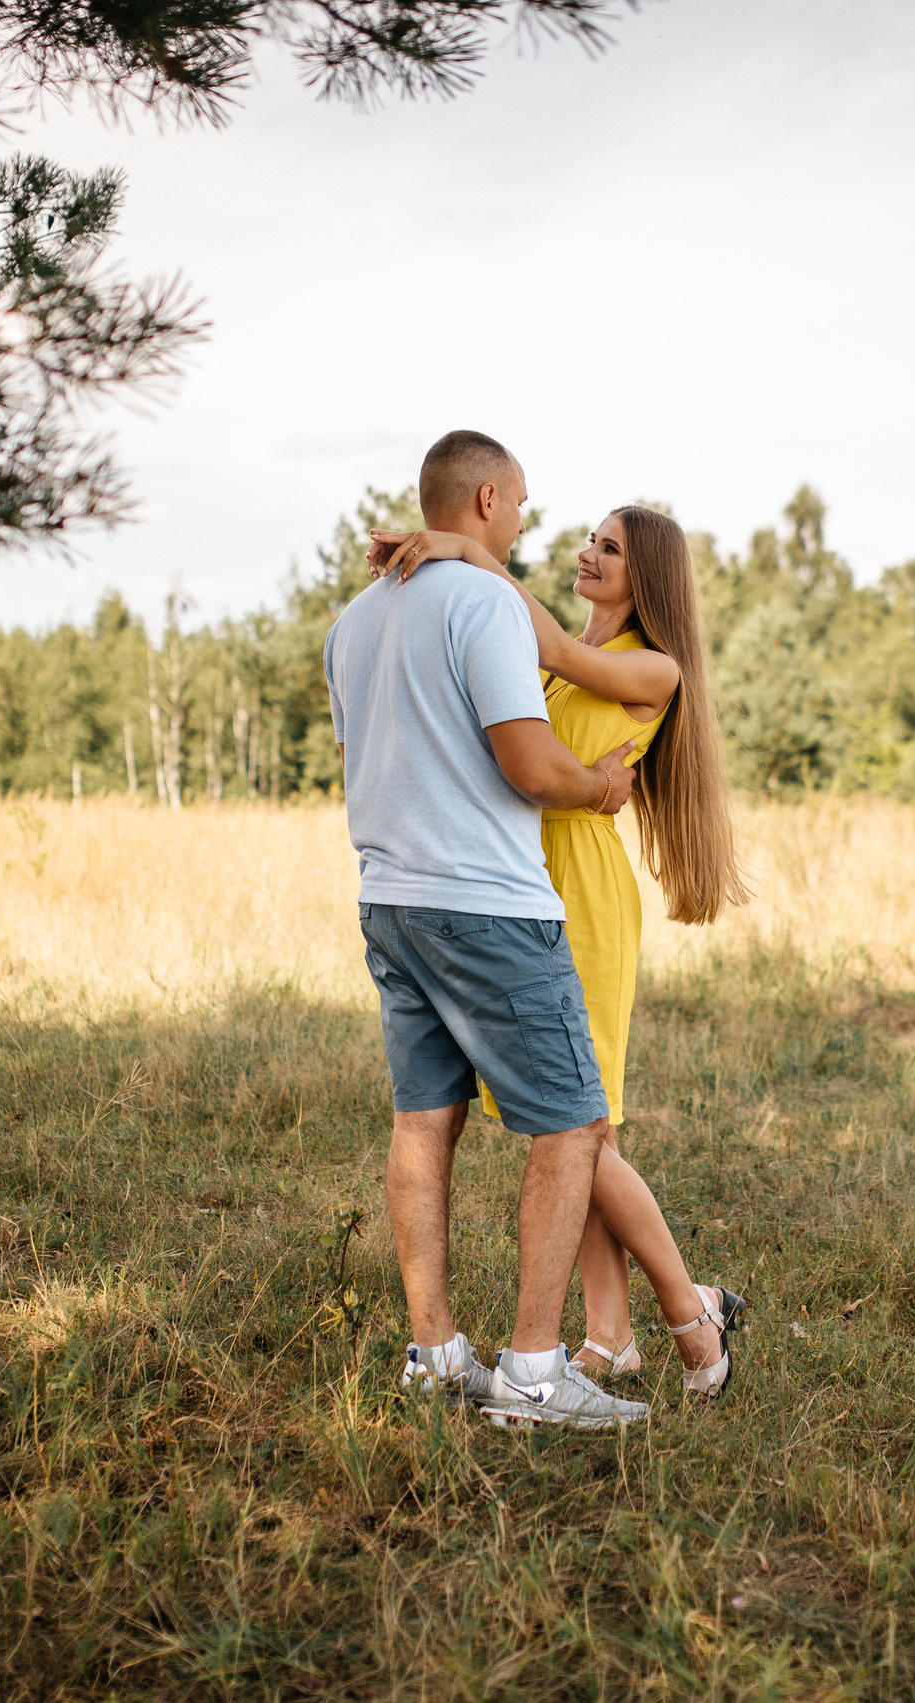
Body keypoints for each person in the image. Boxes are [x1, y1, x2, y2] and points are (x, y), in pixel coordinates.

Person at [366, 502, 753, 1398]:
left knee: (580, 1125)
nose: (587, 553)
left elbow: (543, 641)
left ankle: (690, 1309)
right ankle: (610, 1334)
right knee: (572, 1127)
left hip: (584, 889)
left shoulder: (651, 666)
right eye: (590, 539)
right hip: (523, 879)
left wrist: (463, 548)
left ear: (646, 576)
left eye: (609, 547)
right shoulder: (558, 663)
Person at [325, 429, 651, 1431]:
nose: (525, 518)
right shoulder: (485, 603)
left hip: (390, 897)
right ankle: (535, 1374)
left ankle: (436, 1355)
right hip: (488, 901)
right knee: (573, 1126)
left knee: (423, 1119)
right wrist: (597, 786)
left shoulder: (351, 622)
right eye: (519, 501)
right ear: (485, 500)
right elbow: (529, 761)